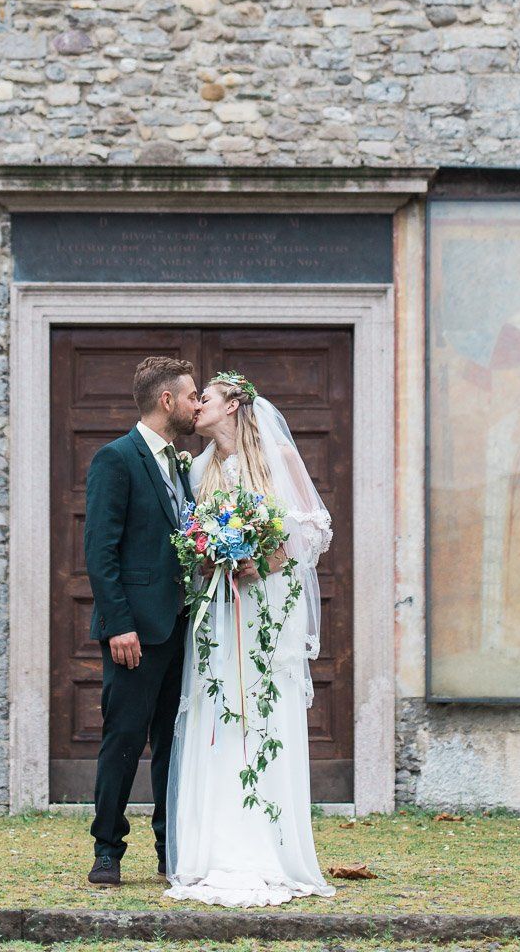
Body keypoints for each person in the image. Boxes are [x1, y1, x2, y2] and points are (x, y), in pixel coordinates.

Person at [164, 370, 336, 908]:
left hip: (264, 608)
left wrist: (261, 560)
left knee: (263, 712)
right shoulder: (198, 470)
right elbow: (194, 535)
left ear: (234, 404)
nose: (198, 407)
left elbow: (313, 530)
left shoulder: (277, 462)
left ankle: (270, 844)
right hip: (220, 611)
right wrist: (212, 553)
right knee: (218, 712)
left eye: (206, 398)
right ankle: (214, 847)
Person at [83, 355, 201, 887]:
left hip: (182, 629)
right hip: (135, 632)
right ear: (167, 401)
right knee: (124, 740)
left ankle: (167, 848)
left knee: (174, 744)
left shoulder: (181, 464)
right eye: (192, 395)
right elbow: (100, 552)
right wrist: (118, 624)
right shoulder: (116, 459)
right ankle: (107, 849)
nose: (198, 403)